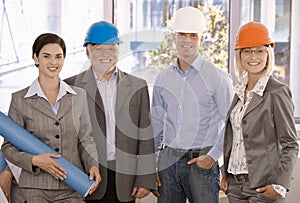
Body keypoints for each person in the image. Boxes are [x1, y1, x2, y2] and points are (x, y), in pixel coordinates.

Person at [1, 33, 101, 202]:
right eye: (46, 56)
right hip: (33, 189)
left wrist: (93, 165)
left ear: (63, 59)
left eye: (58, 57)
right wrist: (34, 160)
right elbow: (8, 148)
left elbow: (86, 139)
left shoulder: (79, 96)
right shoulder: (19, 99)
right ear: (36, 58)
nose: (53, 62)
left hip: (72, 185)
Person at [65, 21, 156, 203]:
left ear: (118, 51)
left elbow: (145, 136)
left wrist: (145, 178)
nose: (105, 55)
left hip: (126, 177)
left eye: (111, 48)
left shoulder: (137, 86)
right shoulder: (71, 86)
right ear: (87, 52)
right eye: (99, 49)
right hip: (87, 176)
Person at [151, 6, 234, 203]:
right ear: (174, 38)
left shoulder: (218, 78)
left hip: (201, 162)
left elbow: (231, 124)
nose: (187, 40)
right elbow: (155, 124)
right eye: (182, 34)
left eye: (193, 35)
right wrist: (153, 164)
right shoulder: (163, 79)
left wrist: (212, 157)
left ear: (201, 39)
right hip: (167, 162)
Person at [220, 21, 299, 203]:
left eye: (259, 50)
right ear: (239, 55)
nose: (253, 56)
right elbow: (236, 138)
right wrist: (225, 172)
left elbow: (290, 143)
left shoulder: (277, 92)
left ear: (268, 54)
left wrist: (280, 184)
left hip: (264, 187)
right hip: (234, 185)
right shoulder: (239, 91)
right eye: (247, 50)